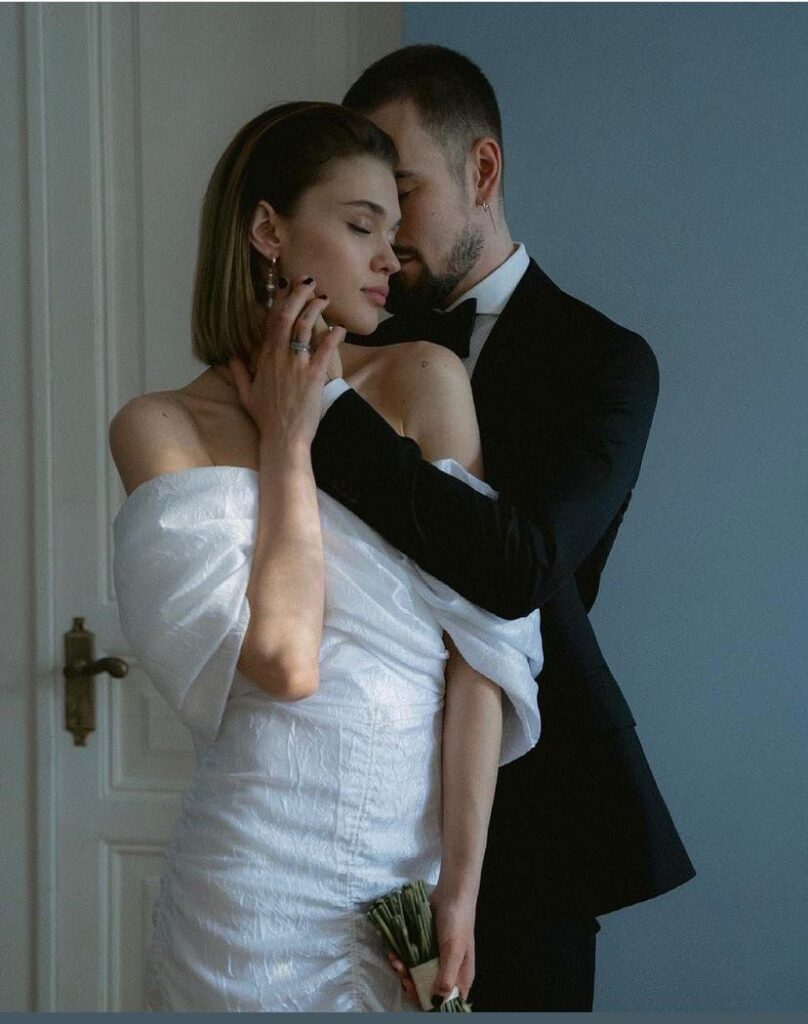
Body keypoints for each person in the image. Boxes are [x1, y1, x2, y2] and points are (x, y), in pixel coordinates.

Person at [109, 101, 542, 1012]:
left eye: (394, 227)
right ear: (269, 231)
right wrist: (289, 442)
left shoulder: (426, 380)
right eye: (359, 226)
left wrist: (461, 888)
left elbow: (484, 651)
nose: (391, 256)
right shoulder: (162, 427)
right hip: (247, 899)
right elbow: (285, 660)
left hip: (406, 890)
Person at [304, 46, 697, 1011]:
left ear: (482, 170)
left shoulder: (606, 362)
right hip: (347, 798)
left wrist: (327, 411)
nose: (385, 233)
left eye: (403, 193)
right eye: (363, 208)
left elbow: (520, 567)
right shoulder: (352, 345)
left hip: (535, 823)